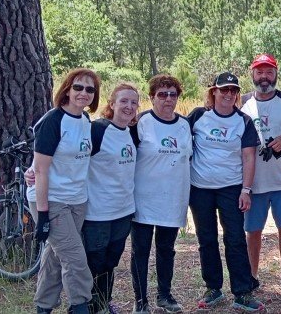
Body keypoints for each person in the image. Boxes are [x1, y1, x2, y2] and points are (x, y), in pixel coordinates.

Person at [188, 72, 263, 312]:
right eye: (224, 90)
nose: (228, 94)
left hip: (231, 188)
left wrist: (246, 190)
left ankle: (242, 292)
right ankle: (213, 288)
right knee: (206, 239)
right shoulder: (198, 117)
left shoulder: (243, 121)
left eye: (233, 90)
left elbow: (249, 157)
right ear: (214, 92)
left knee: (235, 239)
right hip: (200, 189)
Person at [240, 53, 281, 296]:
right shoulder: (243, 101)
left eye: (269, 72)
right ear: (252, 74)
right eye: (260, 72)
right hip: (254, 182)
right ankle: (252, 276)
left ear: (276, 73)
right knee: (253, 231)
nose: (264, 77)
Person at [32, 69, 97, 314]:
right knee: (75, 260)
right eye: (78, 87)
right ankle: (80, 307)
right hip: (52, 199)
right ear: (67, 89)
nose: (84, 93)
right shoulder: (53, 120)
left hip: (77, 201)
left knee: (55, 259)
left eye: (90, 89)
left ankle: (43, 307)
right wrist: (42, 215)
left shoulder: (85, 121)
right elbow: (40, 170)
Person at [131, 75, 193, 314]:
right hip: (144, 198)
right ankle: (140, 301)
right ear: (152, 97)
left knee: (166, 249)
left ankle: (164, 295)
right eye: (162, 94)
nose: (168, 99)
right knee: (141, 251)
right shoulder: (141, 122)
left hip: (173, 198)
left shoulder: (184, 124)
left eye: (173, 94)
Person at [84, 82, 140, 314]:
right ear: (112, 104)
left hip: (124, 211)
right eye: (124, 101)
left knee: (110, 263)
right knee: (93, 263)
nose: (129, 106)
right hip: (98, 213)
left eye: (133, 103)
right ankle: (83, 305)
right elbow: (72, 158)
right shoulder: (97, 130)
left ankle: (103, 304)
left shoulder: (132, 133)